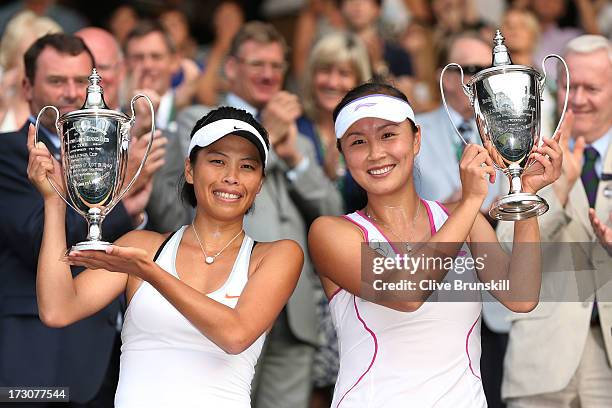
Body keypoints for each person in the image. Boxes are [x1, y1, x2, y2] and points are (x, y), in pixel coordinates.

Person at [308, 81, 564, 407]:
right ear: (342, 153)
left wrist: (524, 192)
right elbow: (408, 293)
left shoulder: (464, 220)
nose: (375, 153)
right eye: (358, 142)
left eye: (388, 135)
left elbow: (521, 296)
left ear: (416, 139)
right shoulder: (332, 232)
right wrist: (471, 200)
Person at [29, 106, 304, 407]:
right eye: (217, 161)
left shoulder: (277, 255)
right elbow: (58, 309)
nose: (231, 177)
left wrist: (151, 273)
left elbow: (235, 335)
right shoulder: (143, 246)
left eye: (247, 167)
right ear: (189, 169)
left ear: (260, 182)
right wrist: (53, 202)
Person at [179, 21, 344, 408]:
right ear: (231, 68)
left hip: (295, 308)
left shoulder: (296, 137)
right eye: (257, 64)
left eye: (276, 65)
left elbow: (331, 213)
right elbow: (178, 203)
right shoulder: (198, 122)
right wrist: (264, 137)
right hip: (228, 296)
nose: (269, 74)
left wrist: (295, 158)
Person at [0, 33, 147, 405]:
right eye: (56, 81)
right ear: (27, 86)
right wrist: (123, 209)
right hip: (36, 353)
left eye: (81, 80)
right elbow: (38, 241)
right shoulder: (8, 154)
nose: (70, 92)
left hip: (111, 351)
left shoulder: (119, 152)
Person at [497, 35, 612, 408]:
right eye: (568, 86)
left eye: (591, 87)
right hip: (542, 356)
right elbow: (503, 247)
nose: (577, 99)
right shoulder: (521, 147)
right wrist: (557, 192)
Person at [299, 31, 371, 213]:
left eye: (344, 73)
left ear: (359, 81)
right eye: (324, 71)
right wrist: (324, 177)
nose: (332, 82)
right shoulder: (294, 129)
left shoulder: (372, 131)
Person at [0, 10, 61, 132]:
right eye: (29, 58)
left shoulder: (63, 101)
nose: (36, 67)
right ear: (11, 58)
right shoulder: (2, 96)